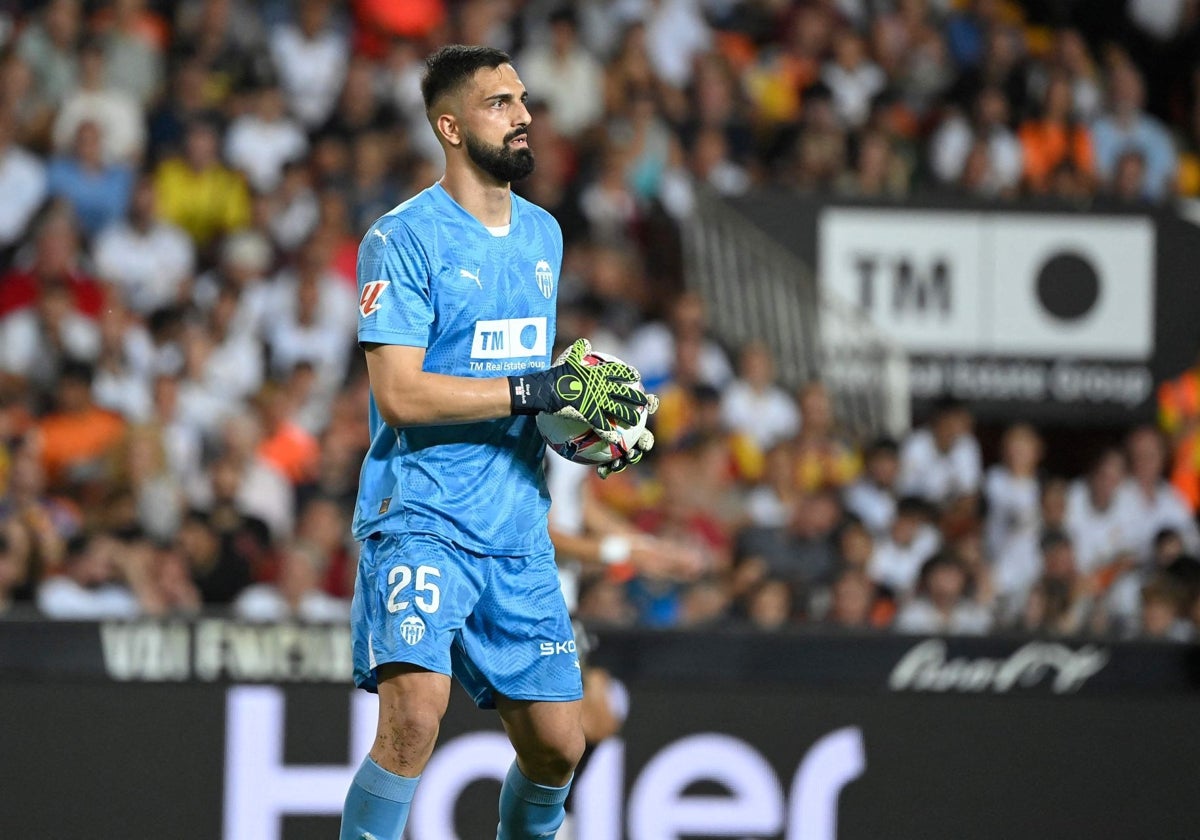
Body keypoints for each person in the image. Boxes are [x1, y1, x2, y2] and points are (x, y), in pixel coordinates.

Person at [339, 45, 656, 840]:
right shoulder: (400, 239)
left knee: (559, 746)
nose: (521, 116)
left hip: (516, 525)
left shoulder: (544, 234)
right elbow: (400, 394)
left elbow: (527, 385)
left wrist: (577, 425)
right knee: (414, 719)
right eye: (498, 104)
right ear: (450, 126)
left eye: (522, 99)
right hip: (421, 513)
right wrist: (532, 391)